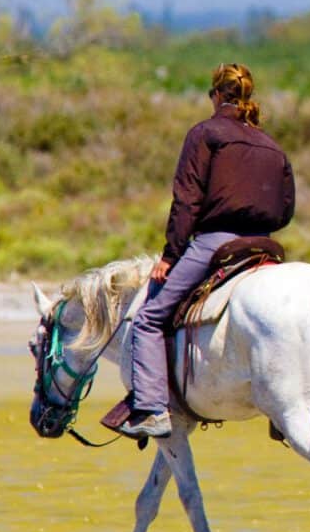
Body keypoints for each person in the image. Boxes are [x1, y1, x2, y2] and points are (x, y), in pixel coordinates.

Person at [119, 63, 296, 439]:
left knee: (149, 319)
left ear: (217, 96)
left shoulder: (205, 134)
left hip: (218, 241)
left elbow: (186, 201)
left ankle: (151, 409)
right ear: (247, 97)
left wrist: (170, 255)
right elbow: (285, 210)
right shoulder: (273, 146)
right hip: (265, 244)